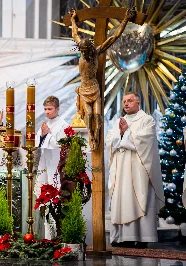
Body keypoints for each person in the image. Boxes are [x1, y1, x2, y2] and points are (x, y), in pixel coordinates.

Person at [70, 7, 135, 150]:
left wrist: (125, 19)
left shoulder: (96, 52)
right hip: (84, 89)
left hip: (94, 87)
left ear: (90, 49)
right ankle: (91, 136)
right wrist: (73, 19)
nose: (84, 52)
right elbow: (75, 34)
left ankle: (97, 134)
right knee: (88, 115)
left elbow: (114, 37)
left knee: (97, 115)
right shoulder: (82, 51)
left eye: (86, 50)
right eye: (82, 50)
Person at [106, 92, 165, 248]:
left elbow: (146, 140)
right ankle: (122, 237)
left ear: (138, 103)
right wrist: (121, 133)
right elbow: (109, 140)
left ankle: (142, 237)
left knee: (140, 198)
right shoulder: (119, 121)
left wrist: (126, 133)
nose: (126, 103)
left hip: (139, 170)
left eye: (130, 100)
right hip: (121, 169)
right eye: (124, 101)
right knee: (122, 199)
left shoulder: (147, 120)